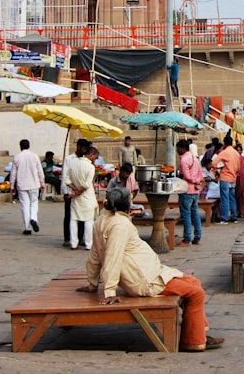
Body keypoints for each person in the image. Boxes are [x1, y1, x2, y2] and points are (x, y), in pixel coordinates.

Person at [77, 187, 223, 352]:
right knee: (196, 294)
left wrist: (92, 283)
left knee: (193, 282)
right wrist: (109, 291)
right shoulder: (120, 224)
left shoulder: (102, 220)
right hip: (145, 280)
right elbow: (112, 257)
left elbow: (95, 256)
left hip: (148, 272)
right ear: (126, 205)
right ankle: (193, 341)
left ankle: (198, 333)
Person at [66, 143, 99, 250]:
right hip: (87, 197)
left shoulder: (72, 163)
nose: (95, 160)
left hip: (76, 198)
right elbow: (86, 184)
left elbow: (66, 180)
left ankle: (73, 243)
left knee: (74, 219)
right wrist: (78, 191)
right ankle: (89, 244)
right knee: (88, 220)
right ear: (92, 155)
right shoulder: (90, 167)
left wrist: (74, 190)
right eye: (96, 157)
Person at [10, 139, 44, 235]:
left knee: (25, 205)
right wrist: (42, 183)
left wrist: (12, 185)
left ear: (20, 146)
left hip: (22, 185)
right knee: (34, 203)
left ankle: (27, 228)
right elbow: (40, 171)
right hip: (34, 184)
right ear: (29, 146)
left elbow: (13, 173)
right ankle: (33, 218)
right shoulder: (34, 156)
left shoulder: (17, 157)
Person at [177, 139, 203, 246]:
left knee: (186, 214)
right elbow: (200, 173)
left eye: (178, 148)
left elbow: (187, 176)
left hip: (187, 189)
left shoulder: (184, 160)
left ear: (183, 149)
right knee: (195, 213)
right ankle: (197, 237)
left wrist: (194, 180)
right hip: (195, 190)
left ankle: (187, 238)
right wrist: (198, 181)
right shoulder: (195, 158)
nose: (177, 150)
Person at [213, 136, 240, 224]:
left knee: (225, 198)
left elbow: (214, 162)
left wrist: (219, 167)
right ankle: (234, 216)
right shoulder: (236, 153)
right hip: (233, 177)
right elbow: (239, 167)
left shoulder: (225, 152)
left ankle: (224, 218)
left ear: (224, 143)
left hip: (225, 177)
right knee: (232, 198)